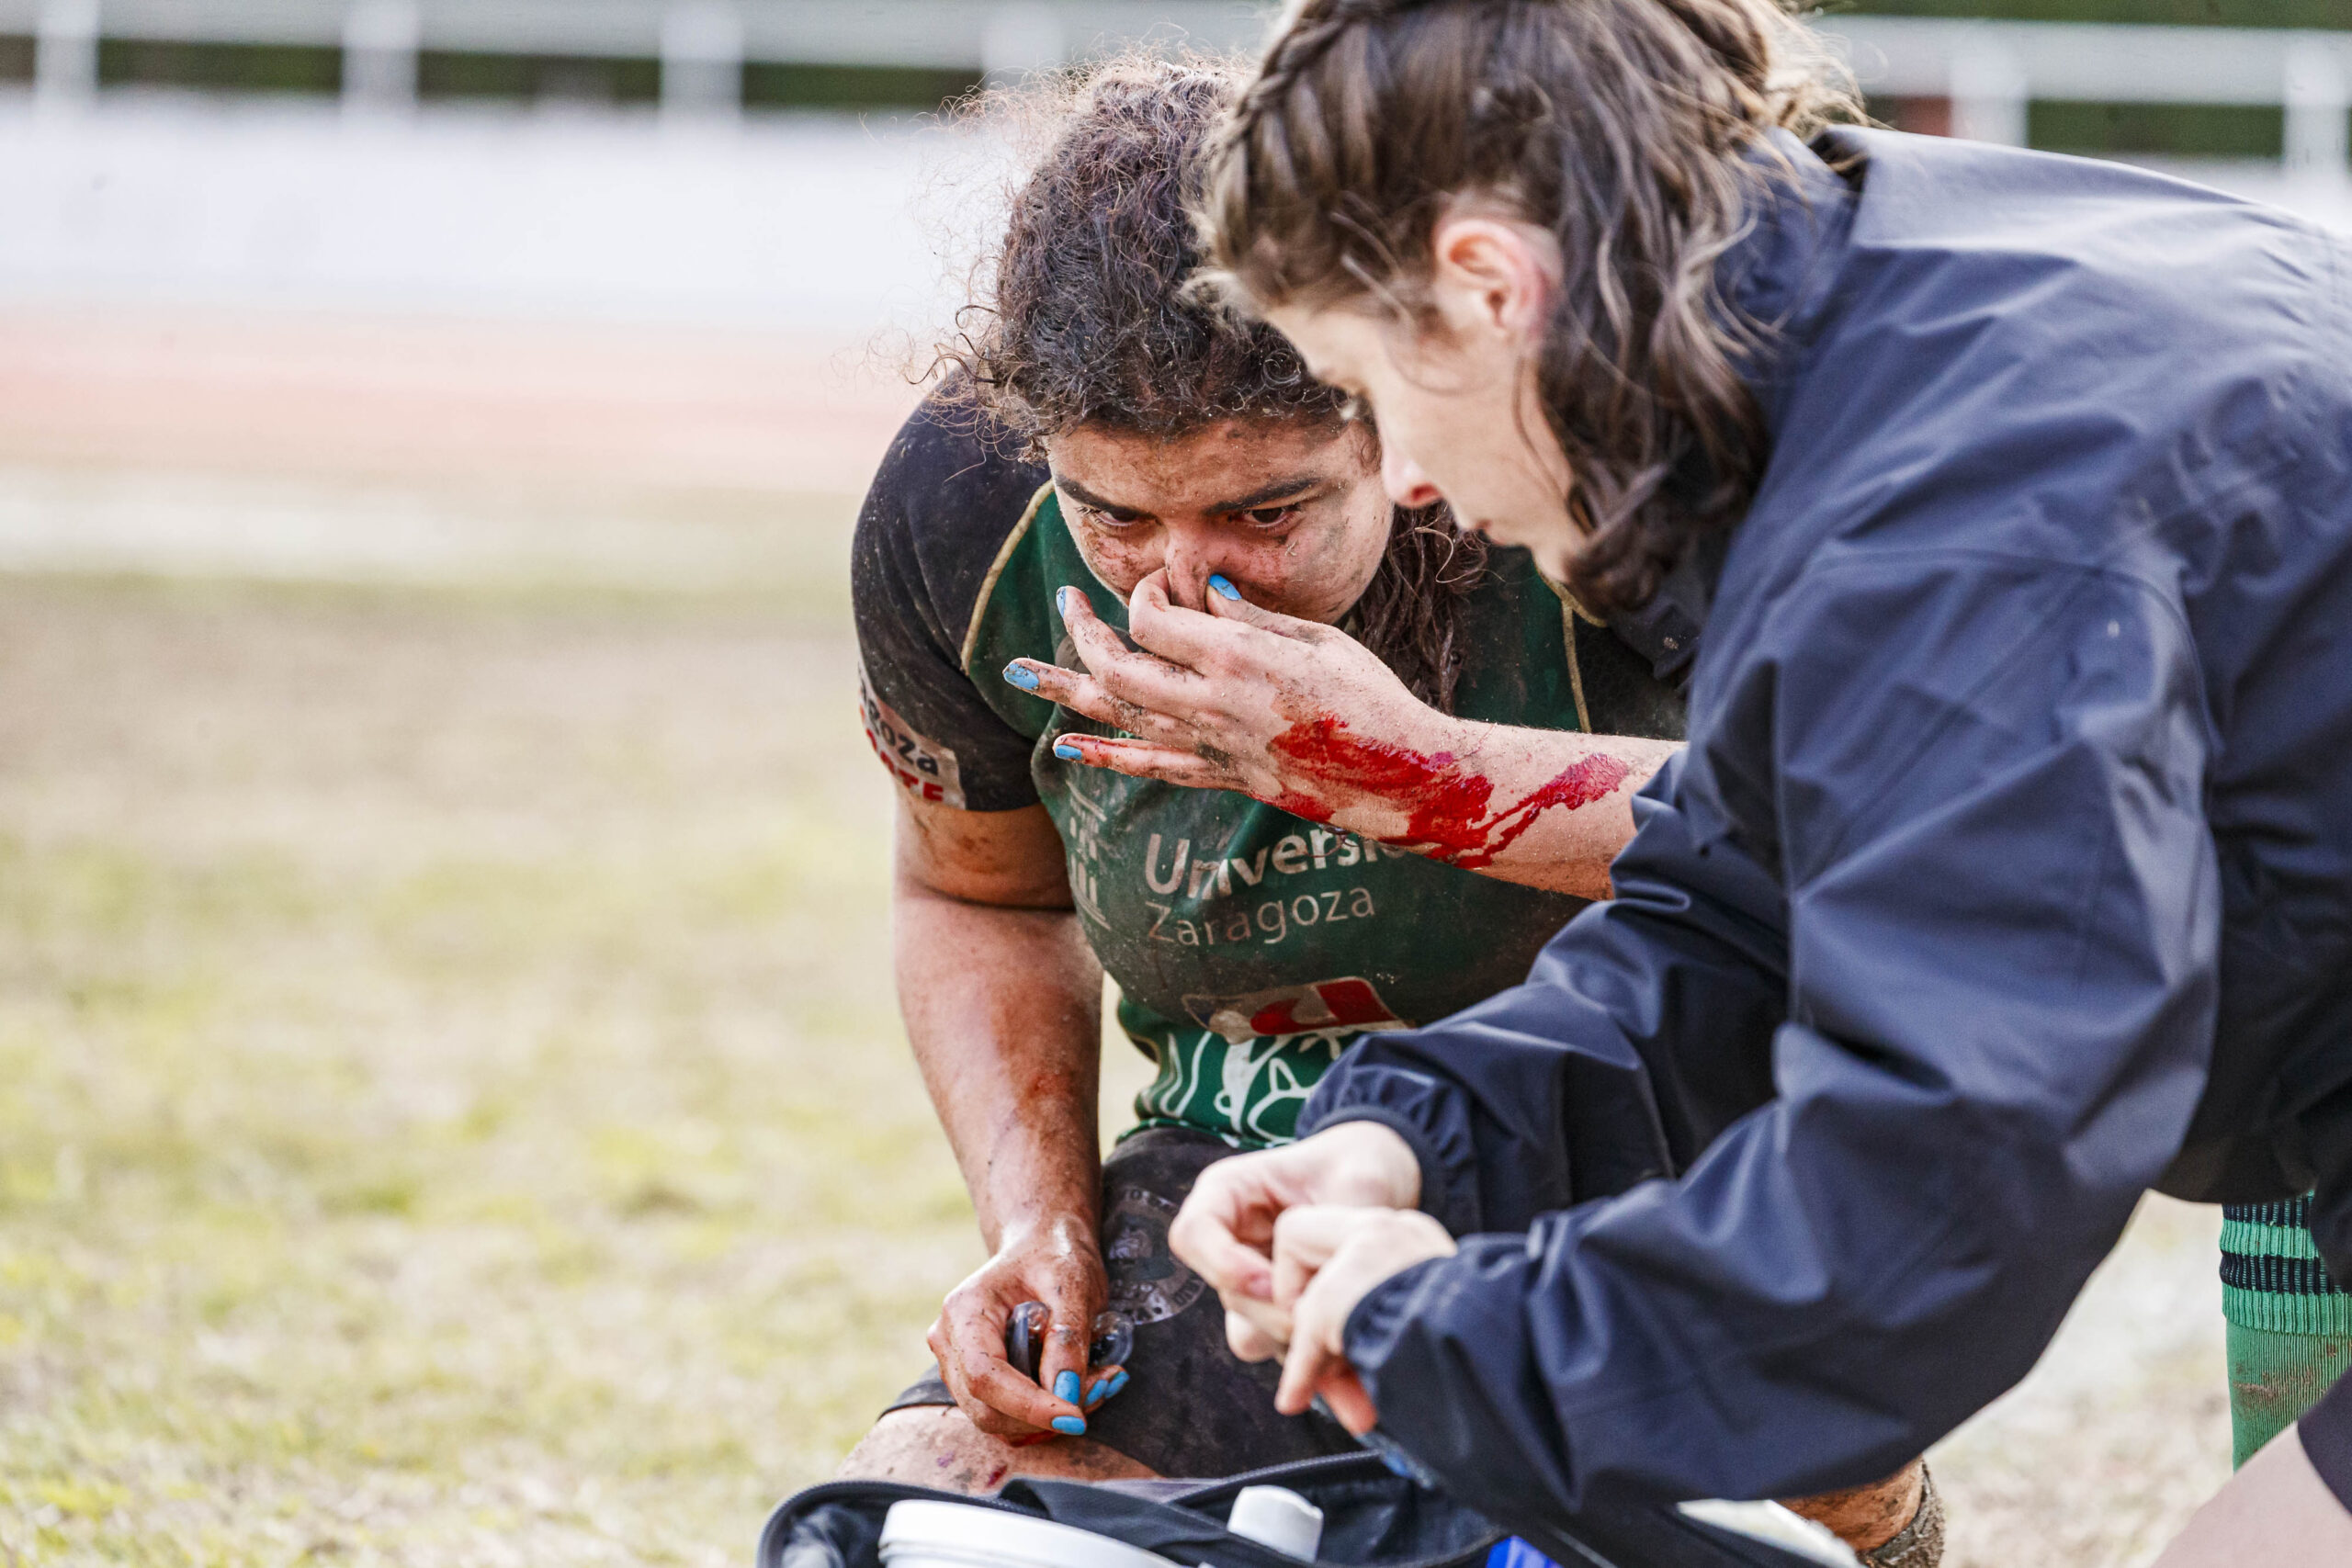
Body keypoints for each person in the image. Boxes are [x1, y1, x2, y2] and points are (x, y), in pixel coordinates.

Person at [1111, 0, 2352, 1551]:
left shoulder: (1943, 525)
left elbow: (1947, 1180)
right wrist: (1417, 1142)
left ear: (1491, 285)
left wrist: (1450, 1334)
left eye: (1373, 388)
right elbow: (1751, 898)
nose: (1409, 474)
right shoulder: (1861, 298)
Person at [832, 51, 1933, 1562]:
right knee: (928, 1504)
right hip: (1261, 1153)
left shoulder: (1608, 461)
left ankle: (1872, 1513)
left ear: (1394, 409)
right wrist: (1043, 1225)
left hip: (1668, 1107)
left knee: (1767, 1484)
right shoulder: (960, 514)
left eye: (1267, 509)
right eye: (1116, 514)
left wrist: (1418, 777)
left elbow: (1863, 831)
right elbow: (978, 893)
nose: (1186, 583)